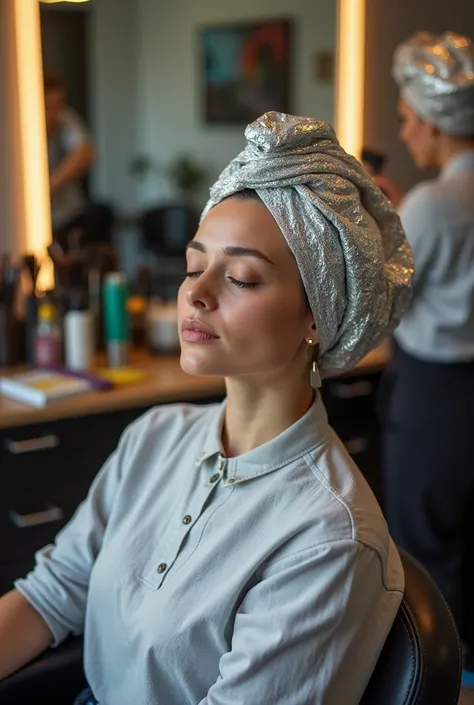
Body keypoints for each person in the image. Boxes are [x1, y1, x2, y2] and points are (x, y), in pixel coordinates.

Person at [0, 112, 413, 705]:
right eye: (195, 266)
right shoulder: (154, 435)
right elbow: (55, 593)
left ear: (317, 318)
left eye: (241, 277)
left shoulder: (327, 540)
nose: (196, 291)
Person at [377, 31, 474, 688]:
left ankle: (433, 683)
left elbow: (383, 303)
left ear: (437, 122)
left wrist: (386, 222)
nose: (406, 133)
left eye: (410, 120)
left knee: (422, 548)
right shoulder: (433, 201)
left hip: (436, 399)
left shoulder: (434, 205)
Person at [44, 69, 95, 250]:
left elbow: (84, 154)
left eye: (59, 105)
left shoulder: (66, 119)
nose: (55, 114)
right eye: (49, 107)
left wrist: (46, 190)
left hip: (68, 216)